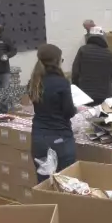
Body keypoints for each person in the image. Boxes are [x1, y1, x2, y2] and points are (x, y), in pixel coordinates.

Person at [29, 44, 77, 183]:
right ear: (56, 61)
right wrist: (76, 109)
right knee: (65, 182)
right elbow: (68, 112)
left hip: (39, 139)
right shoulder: (62, 83)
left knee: (44, 184)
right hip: (60, 138)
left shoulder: (34, 82)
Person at [71, 26, 112, 106]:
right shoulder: (109, 54)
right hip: (105, 96)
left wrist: (77, 90)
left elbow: (75, 73)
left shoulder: (83, 50)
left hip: (85, 96)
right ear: (103, 38)